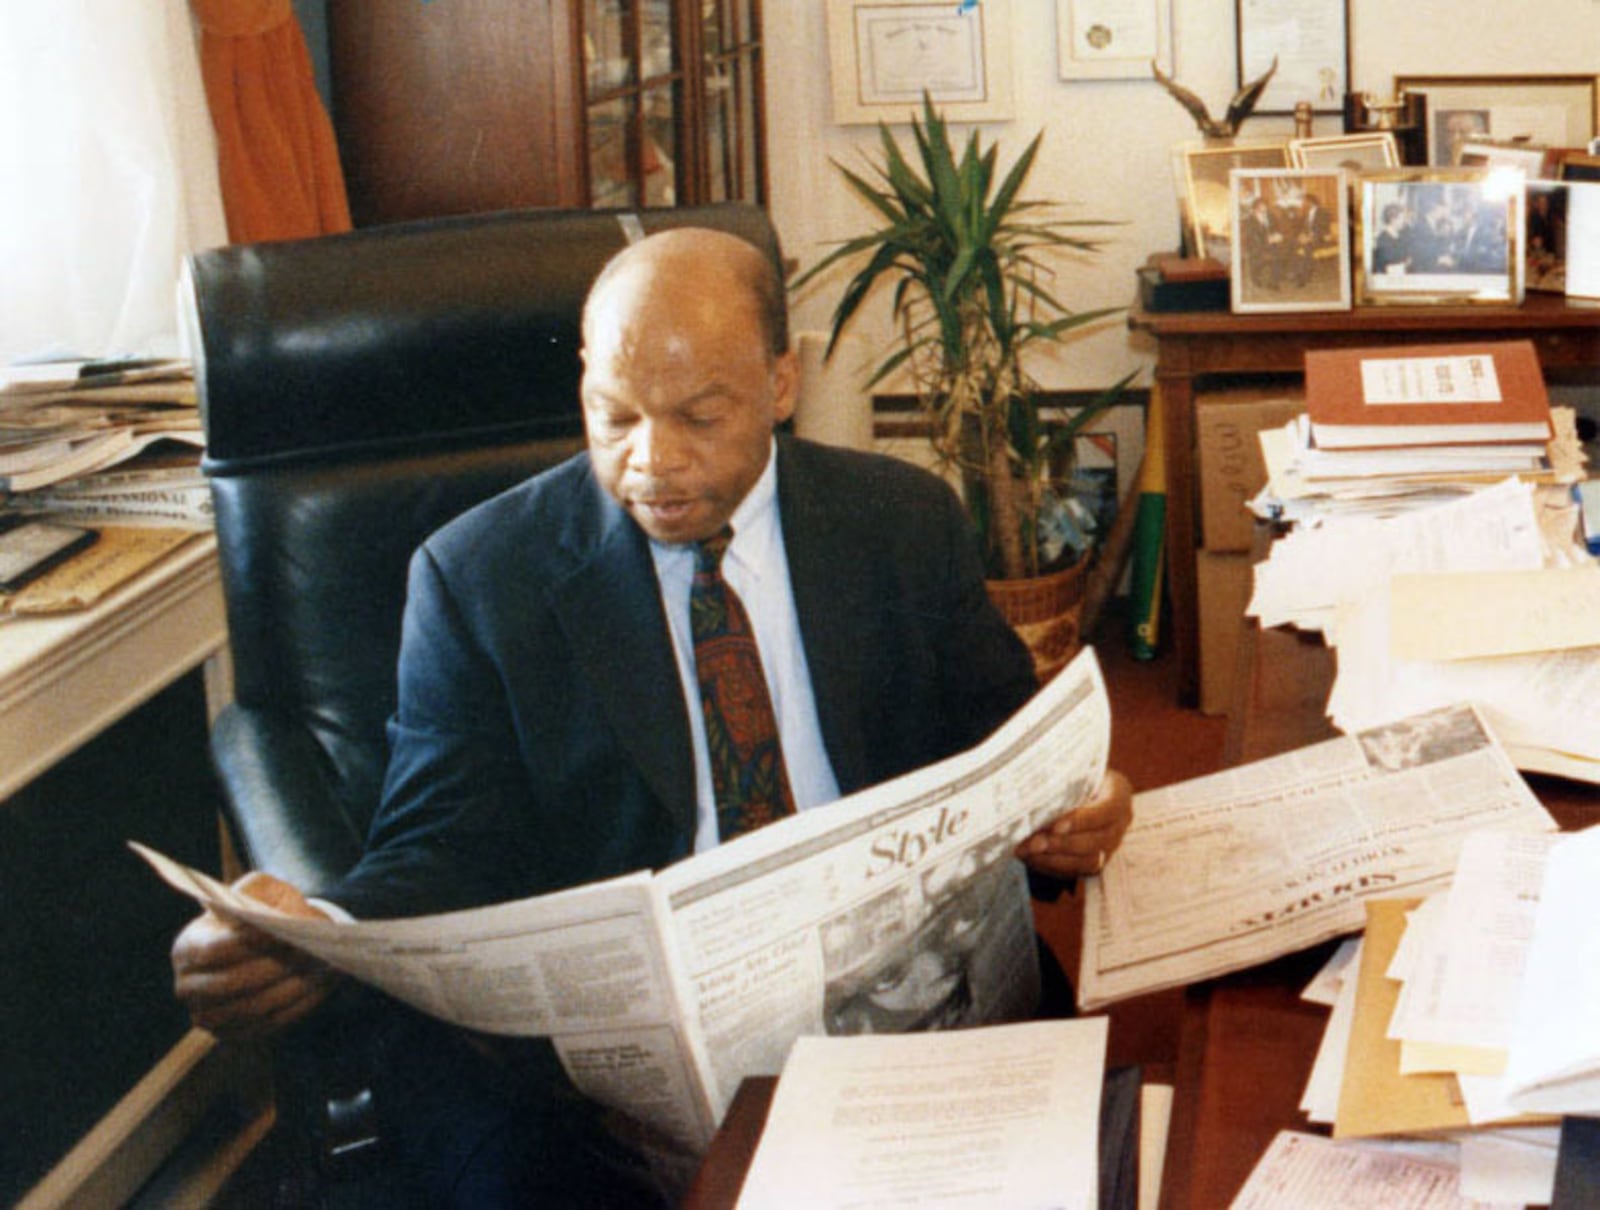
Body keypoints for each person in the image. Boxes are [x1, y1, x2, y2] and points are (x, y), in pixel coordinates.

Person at [170, 228, 1134, 1205]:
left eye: (699, 415)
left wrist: (1082, 803)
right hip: (639, 1087)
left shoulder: (898, 520)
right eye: (613, 414)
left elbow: (1008, 735)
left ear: (780, 383)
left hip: (901, 1001)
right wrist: (316, 931)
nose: (650, 462)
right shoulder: (480, 579)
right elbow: (440, 848)